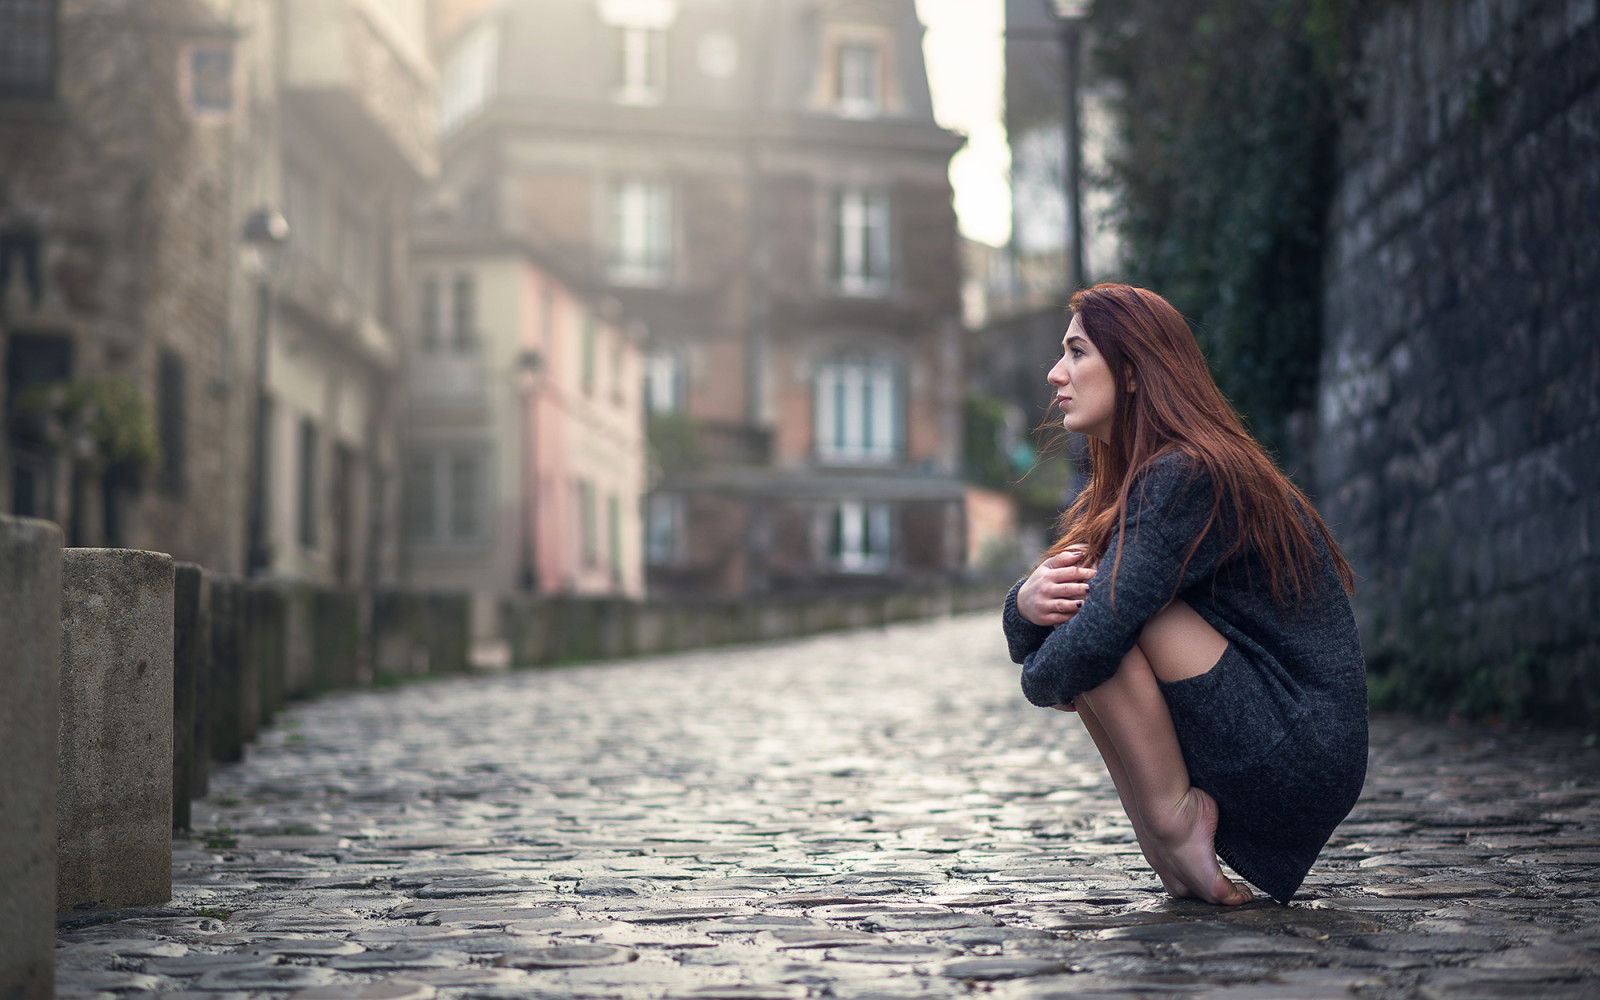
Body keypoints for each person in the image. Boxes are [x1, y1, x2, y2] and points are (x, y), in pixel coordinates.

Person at [1002, 283, 1367, 906]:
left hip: (1298, 749)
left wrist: (1042, 674)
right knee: (1092, 611)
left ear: (1136, 372)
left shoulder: (1187, 472)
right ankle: (1169, 843)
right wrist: (1024, 605)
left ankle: (1177, 819)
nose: (1055, 372)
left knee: (1100, 618)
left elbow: (1090, 640)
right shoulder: (1150, 476)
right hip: (1278, 735)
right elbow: (1067, 629)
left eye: (1077, 352)